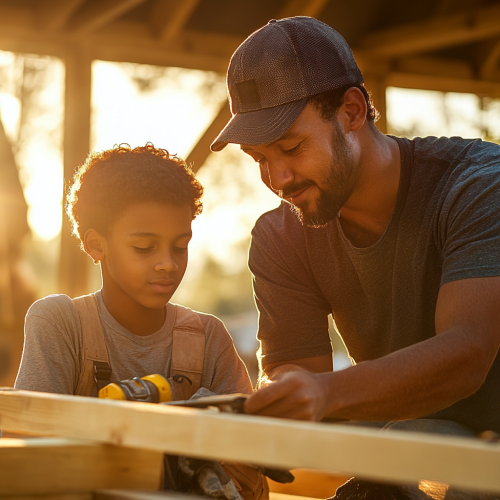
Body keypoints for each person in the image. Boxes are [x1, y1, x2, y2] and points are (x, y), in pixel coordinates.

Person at [210, 16, 500, 497]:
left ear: (351, 112)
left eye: (291, 147)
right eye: (259, 159)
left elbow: (467, 353)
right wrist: (274, 414)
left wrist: (323, 394)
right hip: (410, 445)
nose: (278, 178)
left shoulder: (478, 186)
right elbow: (299, 378)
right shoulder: (281, 237)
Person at [13, 143, 267, 499]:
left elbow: (250, 472)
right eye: (145, 247)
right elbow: (34, 455)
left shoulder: (207, 337)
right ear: (95, 244)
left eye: (180, 246)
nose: (168, 263)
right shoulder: (60, 323)